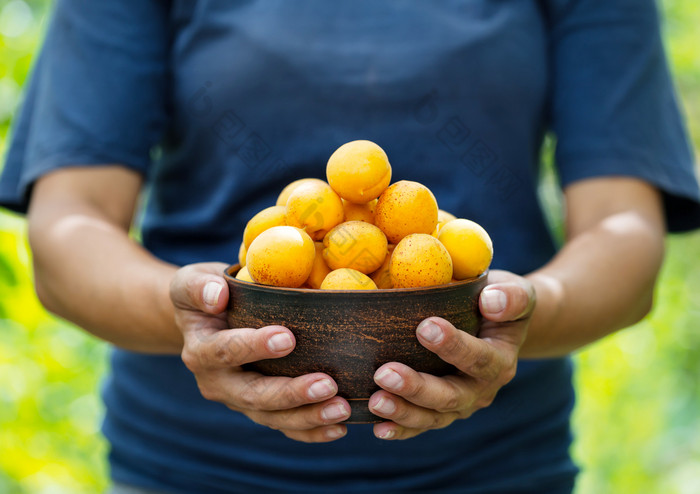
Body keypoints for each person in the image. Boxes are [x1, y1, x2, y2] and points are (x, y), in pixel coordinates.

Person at [1, 0, 699, 492]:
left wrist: (523, 312)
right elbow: (71, 229)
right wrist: (201, 314)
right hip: (198, 468)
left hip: (491, 468)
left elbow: (623, 232)